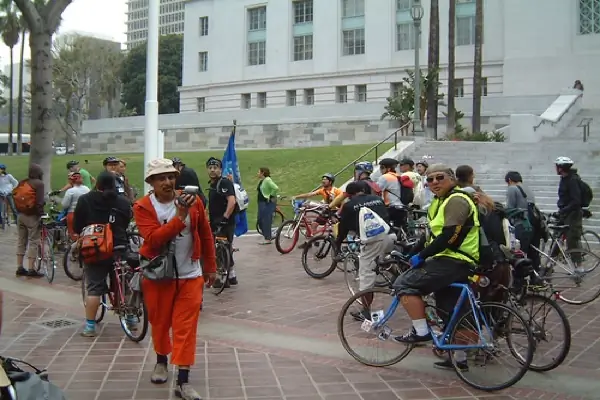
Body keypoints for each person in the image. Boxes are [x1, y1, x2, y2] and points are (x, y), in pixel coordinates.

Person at [133, 158, 216, 400]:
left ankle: (183, 380)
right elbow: (154, 239)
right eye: (161, 178)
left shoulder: (194, 201)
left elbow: (205, 233)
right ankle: (161, 360)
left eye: (171, 177)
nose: (168, 182)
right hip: (158, 276)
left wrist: (210, 266)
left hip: (190, 275)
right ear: (151, 182)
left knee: (186, 328)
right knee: (160, 323)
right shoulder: (142, 207)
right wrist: (180, 217)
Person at [392, 164, 479, 370]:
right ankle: (459, 359)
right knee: (450, 309)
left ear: (452, 178)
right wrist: (412, 253)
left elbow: (449, 236)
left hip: (454, 260)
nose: (434, 182)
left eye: (439, 177)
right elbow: (430, 235)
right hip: (451, 261)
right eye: (429, 179)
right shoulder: (438, 203)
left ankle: (421, 331)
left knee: (403, 284)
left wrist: (422, 256)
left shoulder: (456, 200)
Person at [74, 171, 132, 337]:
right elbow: (126, 221)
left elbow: (78, 225)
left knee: (94, 288)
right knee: (123, 283)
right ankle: (132, 319)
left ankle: (90, 327)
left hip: (95, 248)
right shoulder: (122, 201)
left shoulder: (85, 200)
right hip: (119, 246)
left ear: (97, 184)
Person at [338, 181, 394, 319]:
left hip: (373, 242)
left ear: (349, 195)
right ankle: (396, 275)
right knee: (387, 259)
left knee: (366, 278)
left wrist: (337, 242)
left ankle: (365, 312)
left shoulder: (349, 205)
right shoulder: (377, 199)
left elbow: (343, 228)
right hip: (390, 236)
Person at [206, 157, 238, 288]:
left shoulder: (224, 183)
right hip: (215, 221)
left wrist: (225, 218)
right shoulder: (213, 184)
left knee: (220, 249)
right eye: (210, 168)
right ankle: (232, 276)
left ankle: (222, 278)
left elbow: (232, 201)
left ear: (220, 169)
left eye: (215, 168)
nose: (213, 170)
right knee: (226, 248)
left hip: (225, 222)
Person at [14, 164, 45, 278]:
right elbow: (39, 202)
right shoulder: (39, 184)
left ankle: (19, 267)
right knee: (33, 241)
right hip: (32, 216)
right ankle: (31, 269)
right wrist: (41, 213)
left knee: (21, 241)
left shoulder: (23, 182)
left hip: (20, 215)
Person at [555, 156, 583, 271]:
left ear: (561, 168)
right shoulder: (564, 178)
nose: (555, 168)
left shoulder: (573, 180)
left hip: (573, 214)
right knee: (556, 236)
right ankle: (549, 264)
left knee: (572, 240)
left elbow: (576, 201)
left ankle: (579, 267)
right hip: (564, 213)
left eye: (557, 166)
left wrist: (564, 209)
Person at [377, 158, 414, 229]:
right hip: (402, 207)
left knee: (387, 229)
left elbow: (377, 191)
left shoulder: (385, 177)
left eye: (382, 167)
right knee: (401, 230)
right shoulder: (398, 176)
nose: (380, 170)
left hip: (392, 208)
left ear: (387, 168)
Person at [61, 172, 90, 240]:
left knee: (73, 234)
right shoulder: (87, 189)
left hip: (72, 214)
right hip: (86, 214)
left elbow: (65, 205)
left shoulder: (70, 191)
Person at [256, 167, 279, 245]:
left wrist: (270, 196)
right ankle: (268, 235)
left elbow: (276, 188)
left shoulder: (268, 180)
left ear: (263, 173)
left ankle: (268, 238)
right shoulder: (263, 180)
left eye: (258, 172)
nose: (257, 173)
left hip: (267, 203)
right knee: (259, 220)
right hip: (261, 203)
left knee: (266, 220)